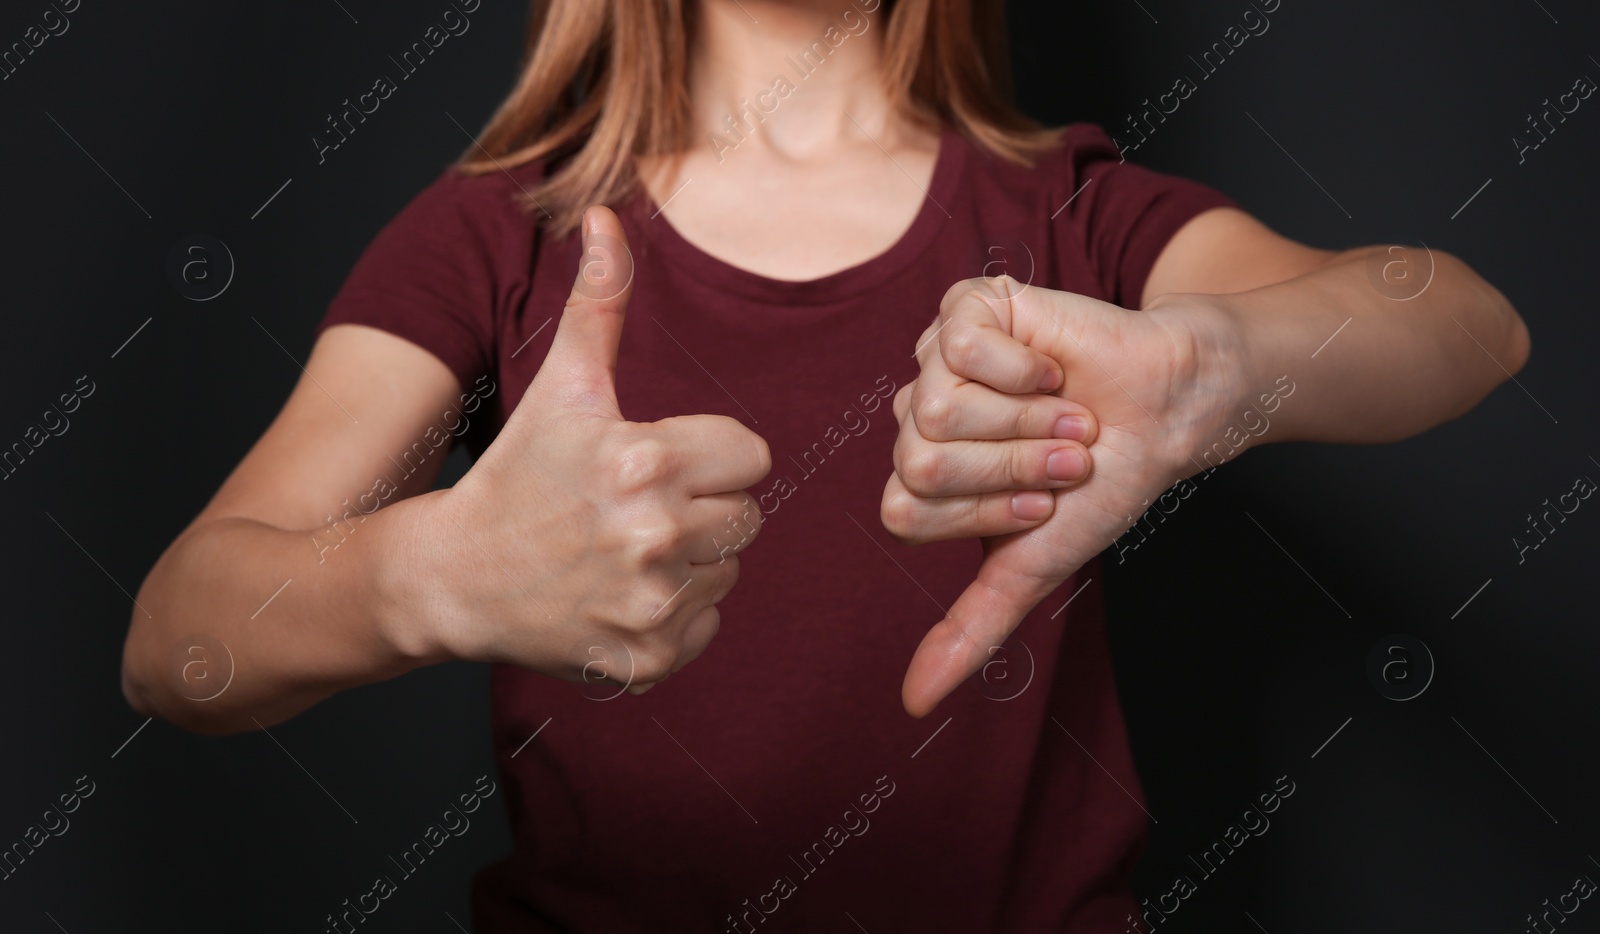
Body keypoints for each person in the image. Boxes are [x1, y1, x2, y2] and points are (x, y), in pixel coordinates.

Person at [121, 0, 1529, 930]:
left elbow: (1463, 322)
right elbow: (176, 635)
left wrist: (1211, 369)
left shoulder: (1068, 215)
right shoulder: (508, 229)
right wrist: (429, 570)